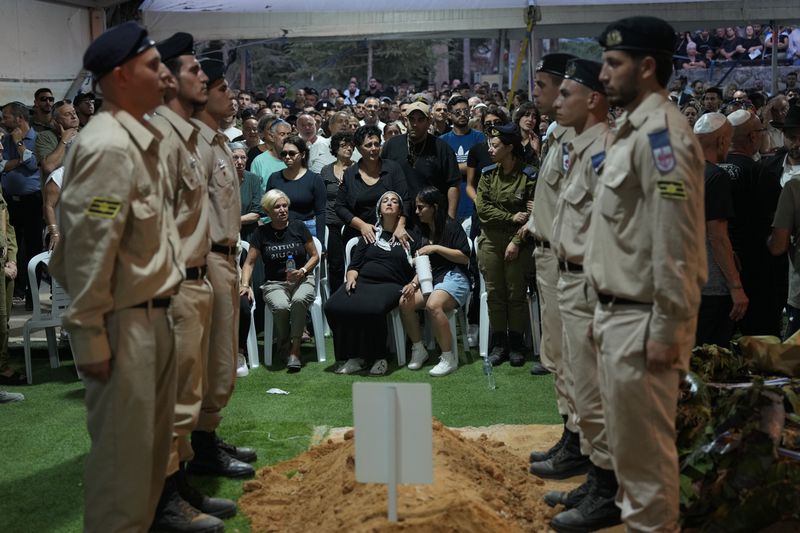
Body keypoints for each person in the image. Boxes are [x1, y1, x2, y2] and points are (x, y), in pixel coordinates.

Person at [48, 22, 184, 532]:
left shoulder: (136, 137)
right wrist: (89, 338)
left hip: (150, 318)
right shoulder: (107, 145)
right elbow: (87, 248)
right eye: (153, 66)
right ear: (123, 76)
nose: (163, 75)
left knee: (147, 471)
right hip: (123, 326)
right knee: (122, 479)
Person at [584, 17, 706, 533]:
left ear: (648, 66)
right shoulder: (634, 130)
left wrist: (665, 330)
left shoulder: (662, 139)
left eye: (614, 64)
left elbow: (676, 245)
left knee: (648, 468)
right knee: (632, 460)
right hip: (619, 315)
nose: (604, 75)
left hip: (643, 323)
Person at [149, 32, 236, 531]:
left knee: (191, 392)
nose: (203, 78)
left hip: (198, 275)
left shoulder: (186, 136)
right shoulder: (156, 137)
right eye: (193, 70)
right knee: (170, 402)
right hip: (172, 283)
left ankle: (178, 488)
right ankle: (163, 503)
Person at [543, 58, 621, 532]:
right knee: (583, 390)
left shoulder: (605, 149)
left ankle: (608, 492)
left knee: (597, 395)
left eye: (565, 93)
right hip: (572, 278)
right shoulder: (579, 146)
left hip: (592, 285)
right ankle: (597, 480)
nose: (555, 101)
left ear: (593, 99)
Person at [189, 58, 255, 480]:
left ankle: (207, 437)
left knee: (223, 359)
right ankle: (199, 449)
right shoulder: (193, 143)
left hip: (226, 256)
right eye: (222, 89)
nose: (231, 95)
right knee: (208, 360)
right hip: (207, 258)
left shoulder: (216, 140)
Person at [525, 53, 581, 474]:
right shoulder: (557, 133)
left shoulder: (580, 137)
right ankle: (570, 435)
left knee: (571, 357)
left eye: (542, 84)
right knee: (557, 354)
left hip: (566, 260)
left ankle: (579, 443)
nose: (536, 93)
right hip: (546, 253)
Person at [325, 191, 419, 376]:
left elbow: (421, 266)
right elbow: (354, 265)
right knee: (333, 305)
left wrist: (414, 284)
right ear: (379, 209)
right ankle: (354, 356)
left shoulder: (410, 236)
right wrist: (351, 277)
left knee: (373, 308)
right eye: (385, 200)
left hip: (392, 283)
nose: (389, 203)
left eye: (394, 201)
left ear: (400, 210)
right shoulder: (370, 234)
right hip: (363, 281)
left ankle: (379, 356)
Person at [475, 124, 535, 367]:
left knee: (515, 293)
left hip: (518, 241)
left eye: (495, 145)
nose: (490, 149)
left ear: (509, 148)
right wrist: (511, 216)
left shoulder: (529, 175)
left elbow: (533, 213)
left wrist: (517, 241)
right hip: (491, 239)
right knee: (495, 293)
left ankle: (517, 343)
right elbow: (482, 209)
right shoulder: (488, 174)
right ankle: (499, 343)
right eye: (490, 144)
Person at [241, 189, 319, 372]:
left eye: (285, 206)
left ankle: (295, 349)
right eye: (277, 207)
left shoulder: (298, 226)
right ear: (268, 212)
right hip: (275, 283)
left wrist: (303, 270)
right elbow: (249, 263)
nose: (283, 210)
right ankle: (283, 344)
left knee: (299, 301)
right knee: (282, 306)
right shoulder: (261, 233)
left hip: (302, 279)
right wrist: (244, 284)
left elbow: (315, 256)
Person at [399, 186, 470, 376]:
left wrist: (436, 248)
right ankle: (419, 349)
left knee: (433, 305)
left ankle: (448, 358)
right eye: (416, 207)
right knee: (405, 302)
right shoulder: (420, 230)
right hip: (432, 278)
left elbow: (464, 257)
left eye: (421, 207)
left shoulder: (451, 226)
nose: (417, 212)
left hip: (456, 277)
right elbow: (423, 265)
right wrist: (413, 284)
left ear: (434, 207)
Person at [693, 113, 747, 348]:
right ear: (722, 142)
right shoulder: (715, 177)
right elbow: (717, 237)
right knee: (710, 360)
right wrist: (736, 286)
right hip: (711, 287)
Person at [381, 101, 461, 217]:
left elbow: (453, 184)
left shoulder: (442, 148)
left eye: (420, 120)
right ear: (405, 121)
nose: (415, 124)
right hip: (398, 214)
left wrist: (451, 218)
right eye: (411, 119)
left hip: (431, 216)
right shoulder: (392, 145)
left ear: (429, 122)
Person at [336, 125, 410, 244]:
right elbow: (340, 207)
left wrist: (401, 225)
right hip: (359, 235)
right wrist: (361, 225)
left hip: (392, 233)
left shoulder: (393, 168)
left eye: (377, 144)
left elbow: (405, 200)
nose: (374, 148)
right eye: (368, 145)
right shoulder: (350, 173)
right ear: (359, 149)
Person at [264, 134, 326, 239]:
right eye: (284, 154)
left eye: (292, 153)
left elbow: (321, 213)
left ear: (302, 155)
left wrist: (321, 242)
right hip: (280, 229)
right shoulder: (274, 178)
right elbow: (268, 207)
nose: (287, 157)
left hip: (308, 230)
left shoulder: (314, 179)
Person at [320, 131, 354, 294]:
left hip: (353, 222)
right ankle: (336, 298)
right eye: (343, 145)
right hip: (332, 221)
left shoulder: (358, 168)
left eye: (350, 145)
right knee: (335, 264)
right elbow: (321, 198)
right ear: (335, 148)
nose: (348, 148)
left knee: (354, 262)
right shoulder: (326, 171)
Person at [0, 188, 21, 387]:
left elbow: (8, 227)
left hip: (6, 265)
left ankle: (3, 368)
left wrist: (12, 260)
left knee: (3, 324)